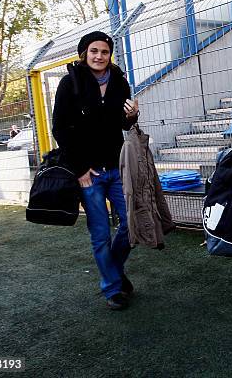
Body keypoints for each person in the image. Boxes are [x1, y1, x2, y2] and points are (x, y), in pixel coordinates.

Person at [52, 31, 139, 310]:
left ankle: (112, 270)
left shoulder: (119, 82)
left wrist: (132, 115)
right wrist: (79, 169)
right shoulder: (70, 83)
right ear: (84, 54)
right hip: (88, 173)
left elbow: (124, 127)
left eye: (104, 51)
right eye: (94, 51)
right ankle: (112, 288)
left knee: (129, 226)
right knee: (100, 233)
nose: (99, 56)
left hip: (116, 168)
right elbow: (60, 129)